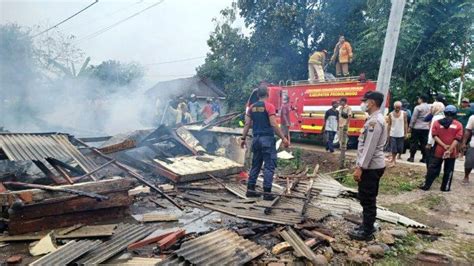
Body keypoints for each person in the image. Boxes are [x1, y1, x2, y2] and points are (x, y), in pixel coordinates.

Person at [349, 91, 387, 241]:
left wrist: (360, 168)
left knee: (368, 199)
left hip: (371, 167)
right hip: (371, 166)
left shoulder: (374, 121)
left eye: (365, 101)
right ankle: (366, 225)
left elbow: (369, 147)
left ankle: (367, 232)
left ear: (371, 102)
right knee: (365, 197)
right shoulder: (373, 119)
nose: (363, 104)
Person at [241, 87, 290, 200]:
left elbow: (247, 124)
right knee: (269, 166)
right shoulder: (269, 106)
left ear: (258, 95)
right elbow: (273, 124)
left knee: (256, 165)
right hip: (267, 140)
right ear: (267, 95)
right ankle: (267, 193)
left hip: (256, 140)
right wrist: (283, 138)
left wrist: (243, 138)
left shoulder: (252, 107)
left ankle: (250, 190)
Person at [419, 105, 463, 192]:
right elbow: (457, 139)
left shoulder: (437, 123)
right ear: (455, 114)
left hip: (438, 150)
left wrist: (443, 145)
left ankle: (426, 185)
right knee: (449, 170)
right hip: (451, 152)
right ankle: (445, 187)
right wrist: (449, 149)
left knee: (433, 168)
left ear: (445, 113)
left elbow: (434, 136)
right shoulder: (458, 125)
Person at [408, 95, 430, 163]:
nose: (418, 100)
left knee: (414, 142)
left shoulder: (418, 107)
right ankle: (424, 158)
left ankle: (412, 157)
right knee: (424, 143)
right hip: (426, 127)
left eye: (419, 99)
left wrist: (410, 127)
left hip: (417, 127)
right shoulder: (430, 107)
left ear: (421, 99)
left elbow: (413, 118)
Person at [386, 101, 408, 167]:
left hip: (401, 134)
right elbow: (389, 125)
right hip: (393, 134)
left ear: (401, 107)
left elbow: (405, 123)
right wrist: (388, 134)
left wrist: (406, 133)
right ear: (394, 107)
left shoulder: (404, 113)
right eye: (396, 107)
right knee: (394, 148)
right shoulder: (390, 114)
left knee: (400, 148)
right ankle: (393, 160)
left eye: (399, 107)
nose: (397, 108)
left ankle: (394, 158)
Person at [425, 102, 445, 168]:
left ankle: (430, 174)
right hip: (441, 141)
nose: (431, 109)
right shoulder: (443, 116)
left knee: (430, 159)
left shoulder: (436, 118)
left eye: (432, 107)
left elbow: (432, 132)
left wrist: (429, 143)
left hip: (434, 142)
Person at [461, 115, 474, 184]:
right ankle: (466, 176)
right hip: (473, 144)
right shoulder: (473, 118)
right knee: (469, 162)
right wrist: (464, 143)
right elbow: (468, 130)